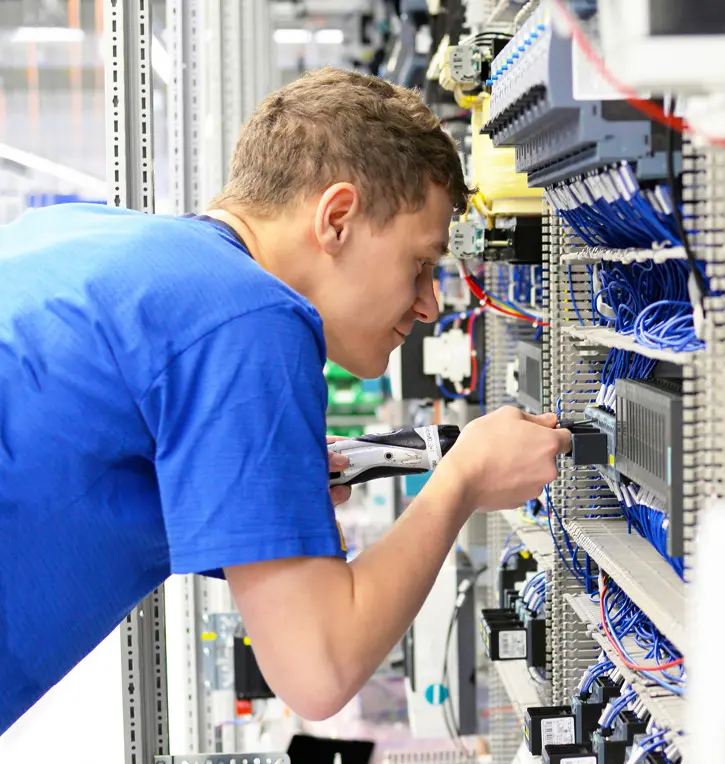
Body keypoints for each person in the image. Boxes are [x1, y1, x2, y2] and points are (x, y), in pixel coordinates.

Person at [0, 67, 570, 734]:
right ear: (337, 218)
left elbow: (81, 476)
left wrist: (269, 479)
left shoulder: (83, 233)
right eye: (420, 263)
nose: (428, 305)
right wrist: (465, 479)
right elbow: (317, 669)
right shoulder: (246, 316)